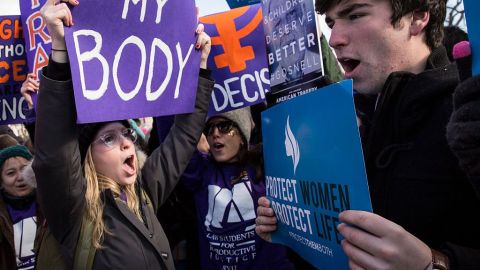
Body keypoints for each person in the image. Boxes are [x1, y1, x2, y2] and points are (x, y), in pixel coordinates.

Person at [256, 0, 480, 269]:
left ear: (417, 18)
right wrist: (293, 226)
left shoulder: (467, 116)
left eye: (355, 15)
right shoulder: (336, 120)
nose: (334, 39)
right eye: (331, 23)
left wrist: (435, 264)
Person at [31, 0, 214, 269]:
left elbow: (184, 136)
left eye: (126, 133)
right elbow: (54, 155)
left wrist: (197, 67)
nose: (126, 142)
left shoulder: (145, 192)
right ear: (87, 157)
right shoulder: (75, 210)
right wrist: (59, 51)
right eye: (109, 138)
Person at [181, 107, 294, 270]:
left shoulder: (267, 166)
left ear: (242, 136)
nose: (215, 134)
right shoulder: (201, 172)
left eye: (224, 126)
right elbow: (176, 137)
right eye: (209, 128)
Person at [0, 145, 38, 270]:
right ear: (1, 181)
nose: (21, 177)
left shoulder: (49, 204)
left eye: (25, 169)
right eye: (11, 173)